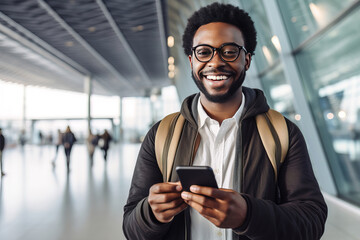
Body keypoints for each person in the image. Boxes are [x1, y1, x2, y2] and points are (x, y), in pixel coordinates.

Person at [123, 3, 327, 240]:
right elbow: (130, 228)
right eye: (203, 52)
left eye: (229, 51)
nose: (215, 62)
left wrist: (249, 216)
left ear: (247, 61)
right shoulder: (162, 134)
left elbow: (311, 222)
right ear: (191, 61)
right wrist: (151, 214)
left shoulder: (282, 133)